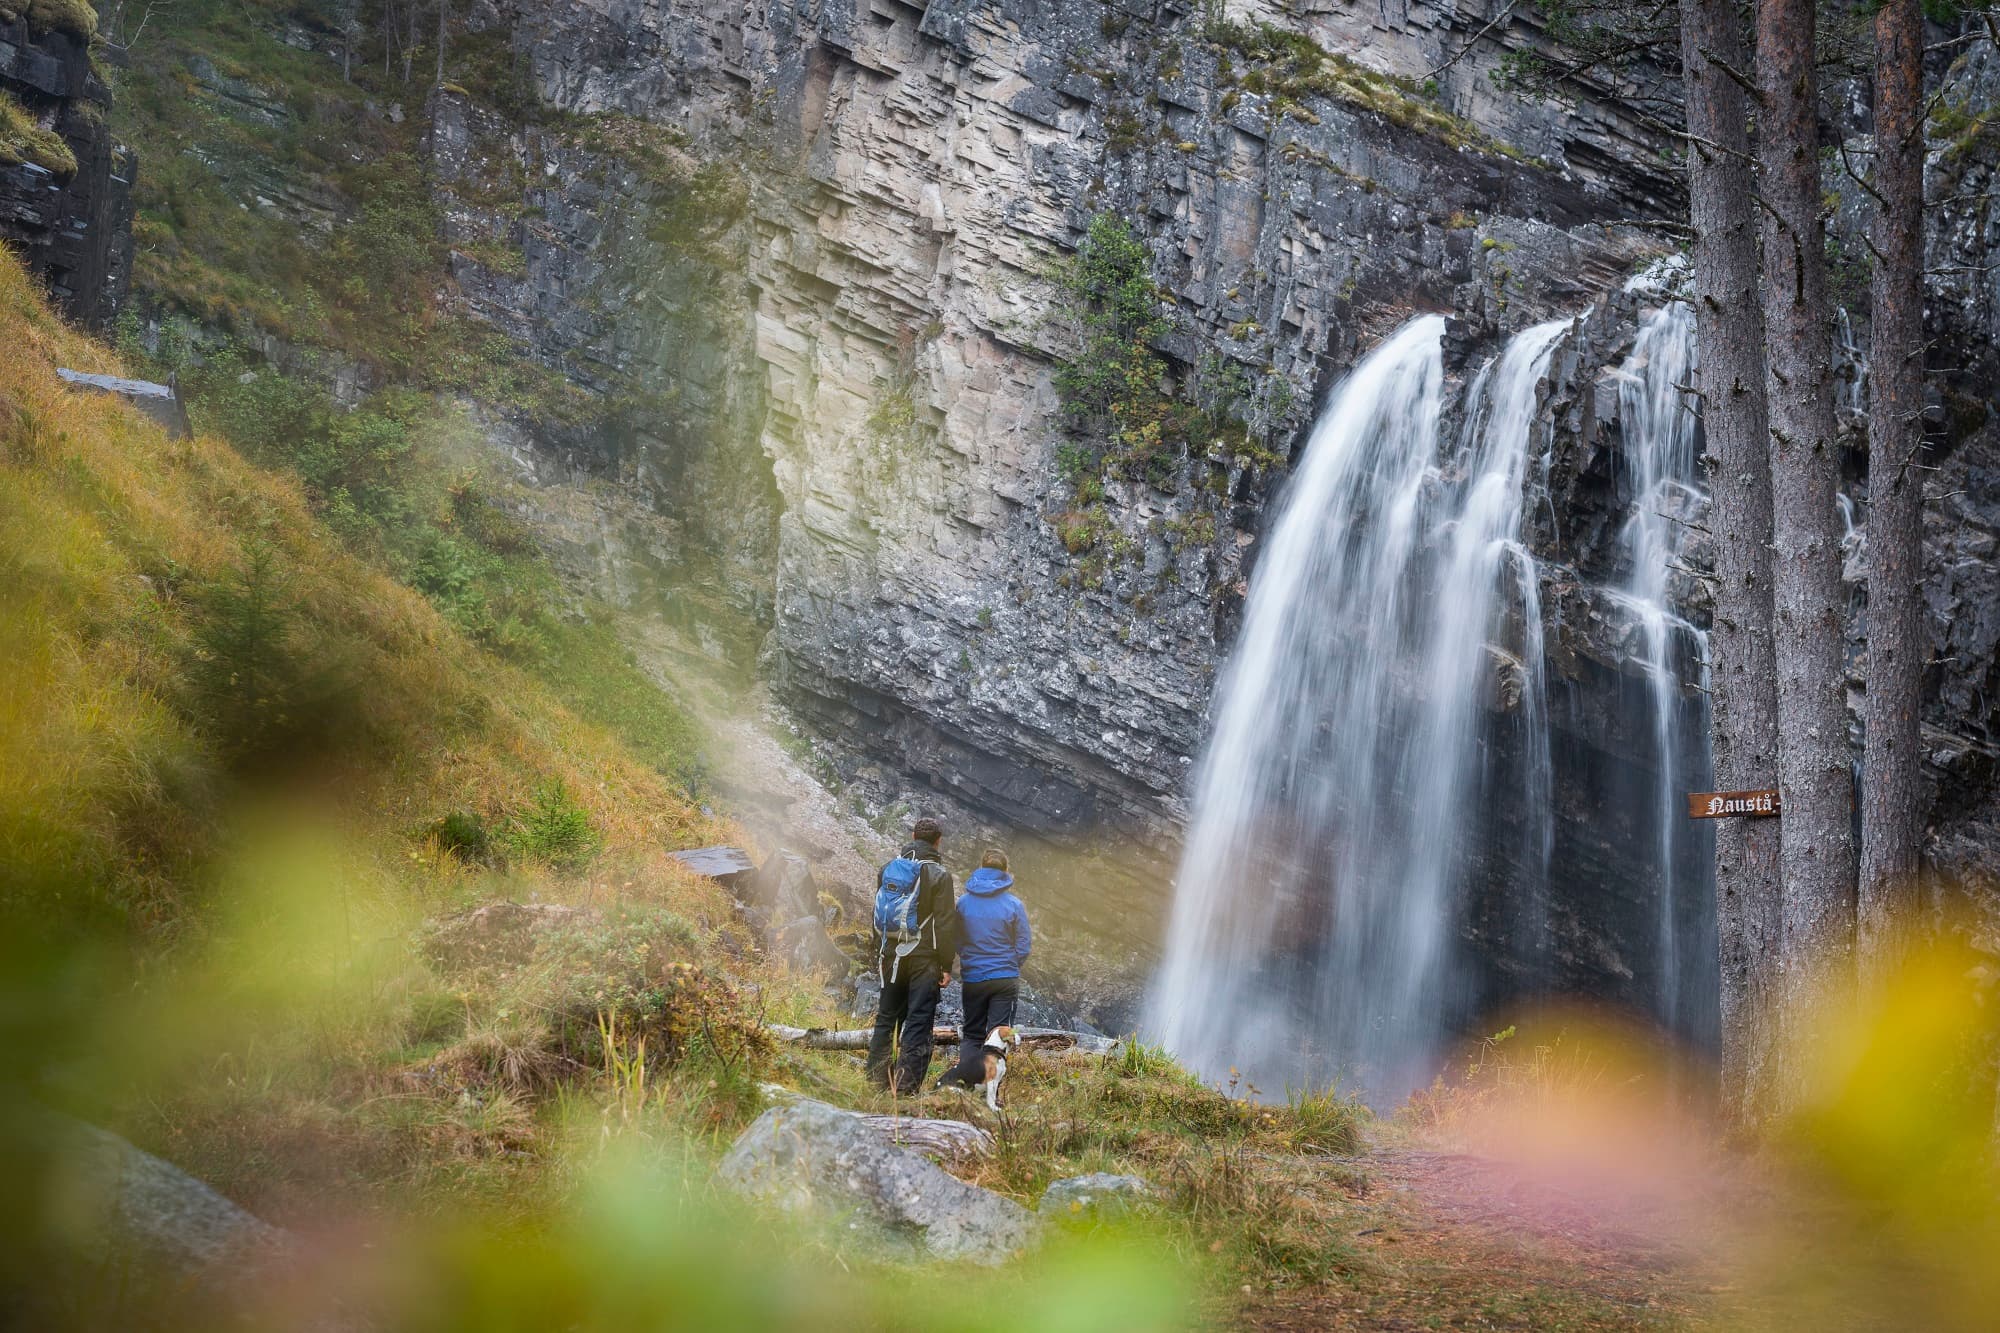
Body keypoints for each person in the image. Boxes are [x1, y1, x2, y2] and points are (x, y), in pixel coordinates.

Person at [865, 817, 959, 1093]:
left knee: (886, 1017)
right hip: (924, 959)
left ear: (913, 835)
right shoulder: (940, 875)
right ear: (938, 841)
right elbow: (944, 923)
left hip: (891, 954)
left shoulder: (888, 868)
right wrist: (945, 964)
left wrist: (879, 950)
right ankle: (904, 1090)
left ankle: (875, 1082)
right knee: (918, 1020)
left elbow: (879, 912)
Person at [938, 847, 1032, 1091]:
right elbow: (1023, 945)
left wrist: (969, 958)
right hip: (1004, 978)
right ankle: (991, 1090)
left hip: (974, 977)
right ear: (1005, 872)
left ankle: (966, 1085)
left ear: (981, 867)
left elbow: (957, 938)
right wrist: (1011, 965)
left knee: (972, 1032)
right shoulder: (1014, 904)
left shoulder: (965, 903)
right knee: (998, 1036)